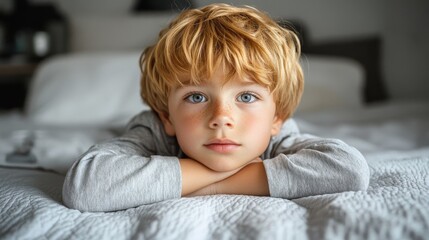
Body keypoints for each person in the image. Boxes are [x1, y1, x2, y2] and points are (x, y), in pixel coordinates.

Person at [62, 3, 369, 212]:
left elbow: (350, 169)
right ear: (167, 117)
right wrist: (218, 172)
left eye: (246, 97)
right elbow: (86, 187)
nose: (221, 118)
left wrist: (206, 183)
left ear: (277, 118)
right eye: (196, 97)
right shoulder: (154, 130)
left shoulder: (276, 137)